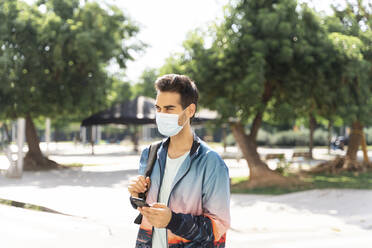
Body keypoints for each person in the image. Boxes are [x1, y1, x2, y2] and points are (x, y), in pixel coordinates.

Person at [128, 74, 231, 247]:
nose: (161, 115)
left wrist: (173, 221)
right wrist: (136, 195)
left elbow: (218, 228)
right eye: (158, 108)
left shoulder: (211, 162)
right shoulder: (150, 153)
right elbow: (146, 207)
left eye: (169, 109)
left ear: (190, 111)